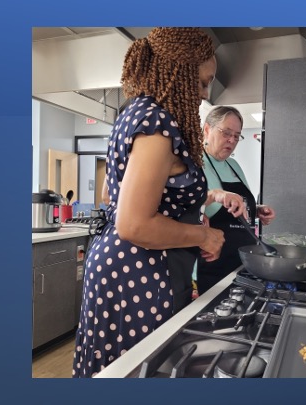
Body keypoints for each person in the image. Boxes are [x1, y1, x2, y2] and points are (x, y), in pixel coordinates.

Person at [73, 28, 246, 378]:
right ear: (179, 75)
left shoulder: (136, 114)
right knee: (140, 372)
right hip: (137, 275)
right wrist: (201, 236)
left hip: (130, 268)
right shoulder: (155, 124)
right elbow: (133, 224)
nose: (203, 94)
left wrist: (186, 220)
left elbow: (112, 196)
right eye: (201, 83)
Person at [196, 106, 277, 294]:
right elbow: (187, 208)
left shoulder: (233, 165)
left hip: (241, 263)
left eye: (237, 136)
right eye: (226, 133)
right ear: (207, 130)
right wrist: (216, 194)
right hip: (211, 266)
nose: (232, 140)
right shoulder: (195, 162)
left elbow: (237, 202)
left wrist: (256, 209)